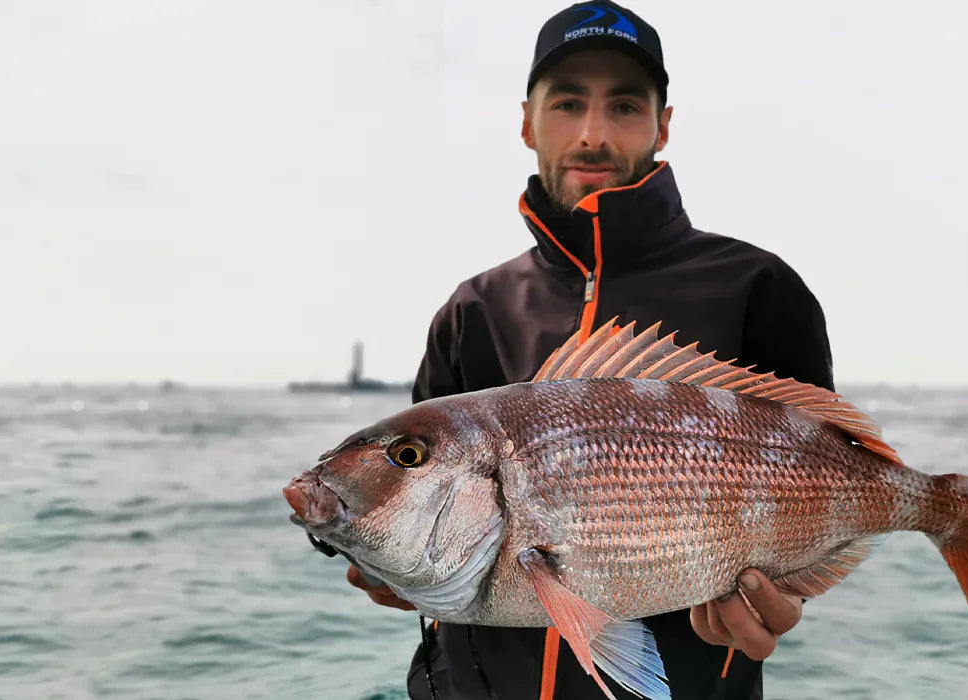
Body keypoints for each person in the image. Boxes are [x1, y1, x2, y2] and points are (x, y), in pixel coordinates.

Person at [347, 2, 835, 697]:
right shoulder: (472, 311)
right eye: (569, 103)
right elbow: (410, 489)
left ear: (663, 125)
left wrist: (781, 598)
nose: (593, 134)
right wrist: (365, 549)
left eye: (626, 107)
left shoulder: (760, 289)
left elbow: (825, 477)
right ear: (526, 121)